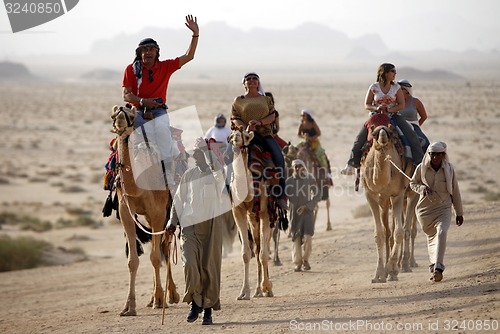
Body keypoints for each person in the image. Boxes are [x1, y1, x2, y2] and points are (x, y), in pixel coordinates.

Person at [122, 15, 199, 180]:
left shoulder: (165, 66)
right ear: (140, 53)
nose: (148, 52)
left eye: (151, 49)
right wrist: (143, 101)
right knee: (126, 138)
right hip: (137, 111)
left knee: (163, 134)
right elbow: (126, 95)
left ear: (157, 53)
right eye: (145, 50)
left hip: (158, 112)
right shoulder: (131, 69)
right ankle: (120, 176)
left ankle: (167, 172)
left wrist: (195, 35)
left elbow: (189, 56)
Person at [167, 138, 230, 325]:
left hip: (211, 227)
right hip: (190, 226)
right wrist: (172, 222)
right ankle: (195, 303)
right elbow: (178, 200)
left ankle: (208, 309)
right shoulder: (188, 175)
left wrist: (207, 150)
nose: (195, 156)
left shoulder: (217, 175)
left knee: (209, 269)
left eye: (199, 152)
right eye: (195, 153)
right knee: (190, 265)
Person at [340, 63, 424, 175]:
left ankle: (420, 165)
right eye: (393, 71)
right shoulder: (374, 87)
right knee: (359, 138)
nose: (395, 74)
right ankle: (351, 164)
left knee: (411, 135)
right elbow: (367, 104)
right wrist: (376, 108)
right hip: (376, 117)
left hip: (393, 116)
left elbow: (401, 105)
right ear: (385, 73)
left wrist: (389, 110)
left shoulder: (396, 88)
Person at [231, 72, 288, 209]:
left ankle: (280, 196)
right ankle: (226, 192)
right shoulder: (239, 100)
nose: (252, 81)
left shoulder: (265, 99)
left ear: (258, 83)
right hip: (245, 135)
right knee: (228, 157)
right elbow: (234, 117)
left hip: (264, 134)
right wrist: (246, 127)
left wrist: (260, 123)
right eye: (248, 79)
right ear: (244, 83)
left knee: (279, 158)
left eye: (255, 79)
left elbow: (272, 115)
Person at [410, 141, 464, 282]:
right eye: (432, 155)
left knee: (441, 231)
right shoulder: (421, 168)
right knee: (432, 237)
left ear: (443, 155)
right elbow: (412, 183)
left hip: (444, 208)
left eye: (438, 155)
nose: (435, 158)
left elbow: (456, 191)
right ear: (429, 155)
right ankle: (433, 263)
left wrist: (459, 212)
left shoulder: (449, 170)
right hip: (425, 210)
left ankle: (438, 267)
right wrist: (422, 189)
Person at [285, 159, 320, 272]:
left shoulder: (310, 178)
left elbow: (317, 194)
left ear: (303, 167)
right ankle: (298, 263)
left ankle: (305, 260)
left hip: (307, 213)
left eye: (299, 166)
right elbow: (284, 197)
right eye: (295, 166)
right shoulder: (289, 181)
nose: (297, 168)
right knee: (296, 238)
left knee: (308, 236)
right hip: (294, 214)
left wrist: (308, 206)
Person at [397, 79, 430, 152]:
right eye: (399, 89)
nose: (399, 91)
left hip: (413, 126)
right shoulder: (394, 101)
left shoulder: (415, 101)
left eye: (402, 89)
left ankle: (425, 162)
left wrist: (417, 126)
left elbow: (424, 116)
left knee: (425, 144)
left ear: (407, 90)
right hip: (397, 125)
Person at [297, 109, 330, 173]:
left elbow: (319, 133)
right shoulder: (302, 124)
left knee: (319, 153)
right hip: (304, 141)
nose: (302, 117)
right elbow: (298, 134)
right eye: (301, 115)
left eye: (304, 115)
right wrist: (304, 137)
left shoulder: (312, 123)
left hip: (314, 141)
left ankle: (325, 170)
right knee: (295, 151)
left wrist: (310, 138)